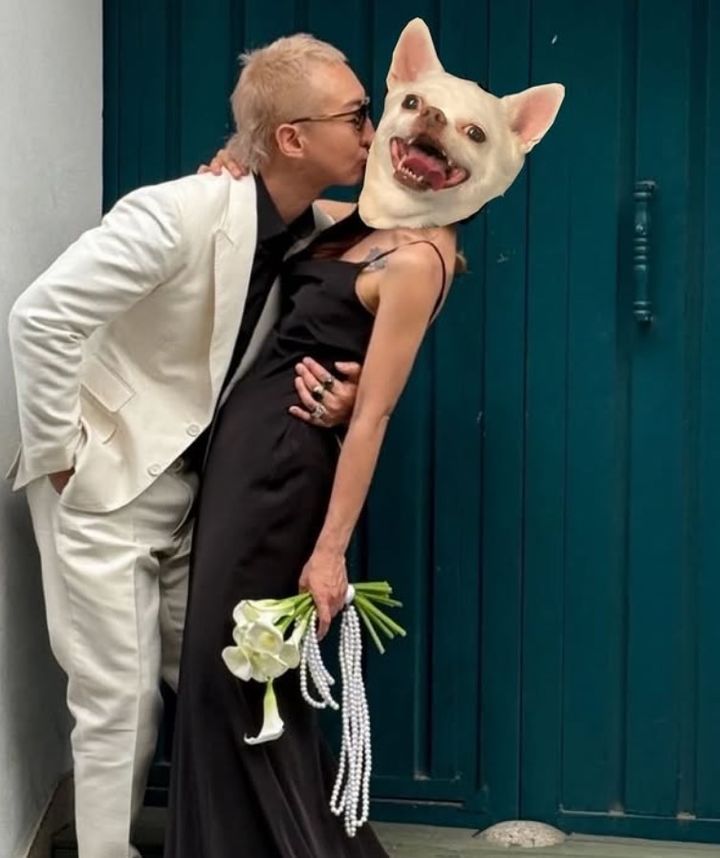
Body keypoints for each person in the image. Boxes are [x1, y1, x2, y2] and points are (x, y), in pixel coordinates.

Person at [165, 18, 564, 858]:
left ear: (499, 167)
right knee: (230, 673)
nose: (431, 128)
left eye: (472, 133)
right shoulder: (347, 220)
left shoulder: (418, 261)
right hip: (245, 457)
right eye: (415, 106)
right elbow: (263, 206)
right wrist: (230, 163)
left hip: (281, 472)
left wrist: (329, 554)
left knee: (234, 672)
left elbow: (374, 412)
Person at [6, 32, 377, 858]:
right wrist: (60, 454)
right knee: (118, 700)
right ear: (293, 138)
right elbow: (40, 317)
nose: (372, 130)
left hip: (200, 495)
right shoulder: (177, 212)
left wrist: (357, 389)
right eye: (357, 115)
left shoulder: (314, 230)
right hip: (103, 482)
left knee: (228, 674)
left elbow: (420, 250)